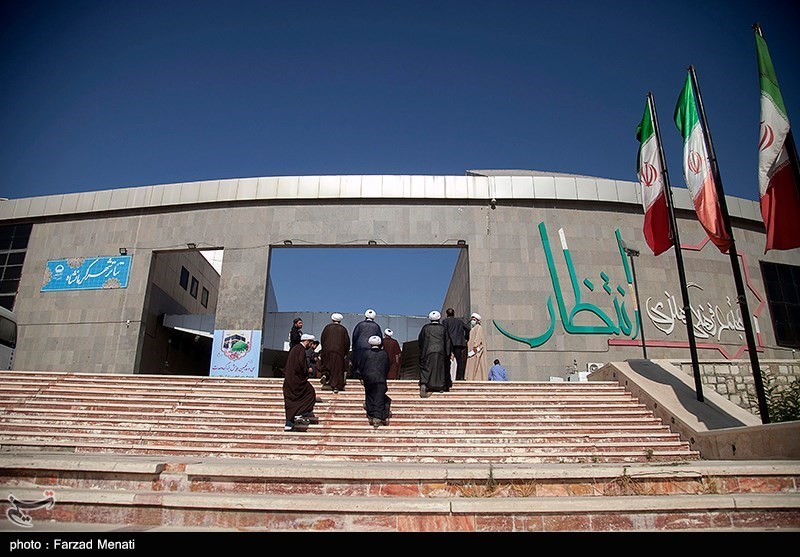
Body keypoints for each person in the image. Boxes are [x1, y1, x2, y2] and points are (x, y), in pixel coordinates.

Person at [283, 333, 320, 432]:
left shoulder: (295, 349)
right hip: (297, 379)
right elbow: (300, 365)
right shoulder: (301, 350)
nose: (311, 345)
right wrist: (307, 370)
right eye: (310, 343)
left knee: (291, 401)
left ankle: (289, 423)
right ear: (307, 342)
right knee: (310, 392)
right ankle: (301, 413)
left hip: (289, 379)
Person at [417, 310, 451, 398]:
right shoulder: (443, 328)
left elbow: (421, 340)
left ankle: (425, 383)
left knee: (427, 368)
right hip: (440, 351)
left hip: (428, 351)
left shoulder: (425, 328)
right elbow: (447, 341)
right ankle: (440, 386)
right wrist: (448, 353)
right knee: (440, 369)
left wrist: (422, 350)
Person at [361, 335, 392, 427]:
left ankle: (371, 415)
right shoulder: (384, 354)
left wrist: (363, 376)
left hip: (369, 379)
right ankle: (377, 417)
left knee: (370, 396)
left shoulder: (366, 353)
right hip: (380, 379)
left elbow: (362, 366)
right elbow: (387, 366)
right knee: (379, 397)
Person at [319, 312, 350, 393]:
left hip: (327, 350)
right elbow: (346, 342)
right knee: (337, 369)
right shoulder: (343, 329)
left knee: (327, 365)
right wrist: (345, 352)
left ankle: (325, 375)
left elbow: (322, 339)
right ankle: (336, 386)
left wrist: (324, 349)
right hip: (338, 351)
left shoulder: (327, 328)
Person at [351, 309, 382, 381]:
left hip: (359, 347)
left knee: (359, 362)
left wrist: (354, 347)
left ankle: (359, 375)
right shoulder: (376, 326)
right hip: (371, 348)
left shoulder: (359, 325)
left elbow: (355, 336)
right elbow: (379, 338)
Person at [442, 308, 470, 381]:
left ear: (447, 314)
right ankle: (460, 377)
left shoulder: (445, 321)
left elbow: (444, 331)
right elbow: (467, 328)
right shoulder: (459, 321)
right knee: (459, 360)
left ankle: (447, 377)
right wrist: (466, 337)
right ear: (454, 314)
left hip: (449, 343)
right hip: (459, 343)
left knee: (447, 360)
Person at [465, 312, 488, 381]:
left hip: (475, 351)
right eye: (472, 319)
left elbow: (478, 339)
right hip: (471, 351)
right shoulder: (473, 329)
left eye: (474, 319)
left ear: (477, 321)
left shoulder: (479, 328)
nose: (472, 321)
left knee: (477, 366)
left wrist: (475, 347)